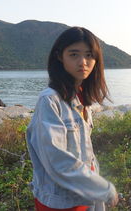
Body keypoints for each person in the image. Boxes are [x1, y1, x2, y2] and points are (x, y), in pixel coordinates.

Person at [26, 27, 118, 211]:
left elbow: (85, 153)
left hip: (85, 194)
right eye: (74, 54)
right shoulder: (50, 100)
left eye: (89, 55)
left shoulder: (82, 98)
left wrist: (96, 188)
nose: (83, 62)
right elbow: (56, 160)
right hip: (60, 201)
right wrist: (104, 189)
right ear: (60, 56)